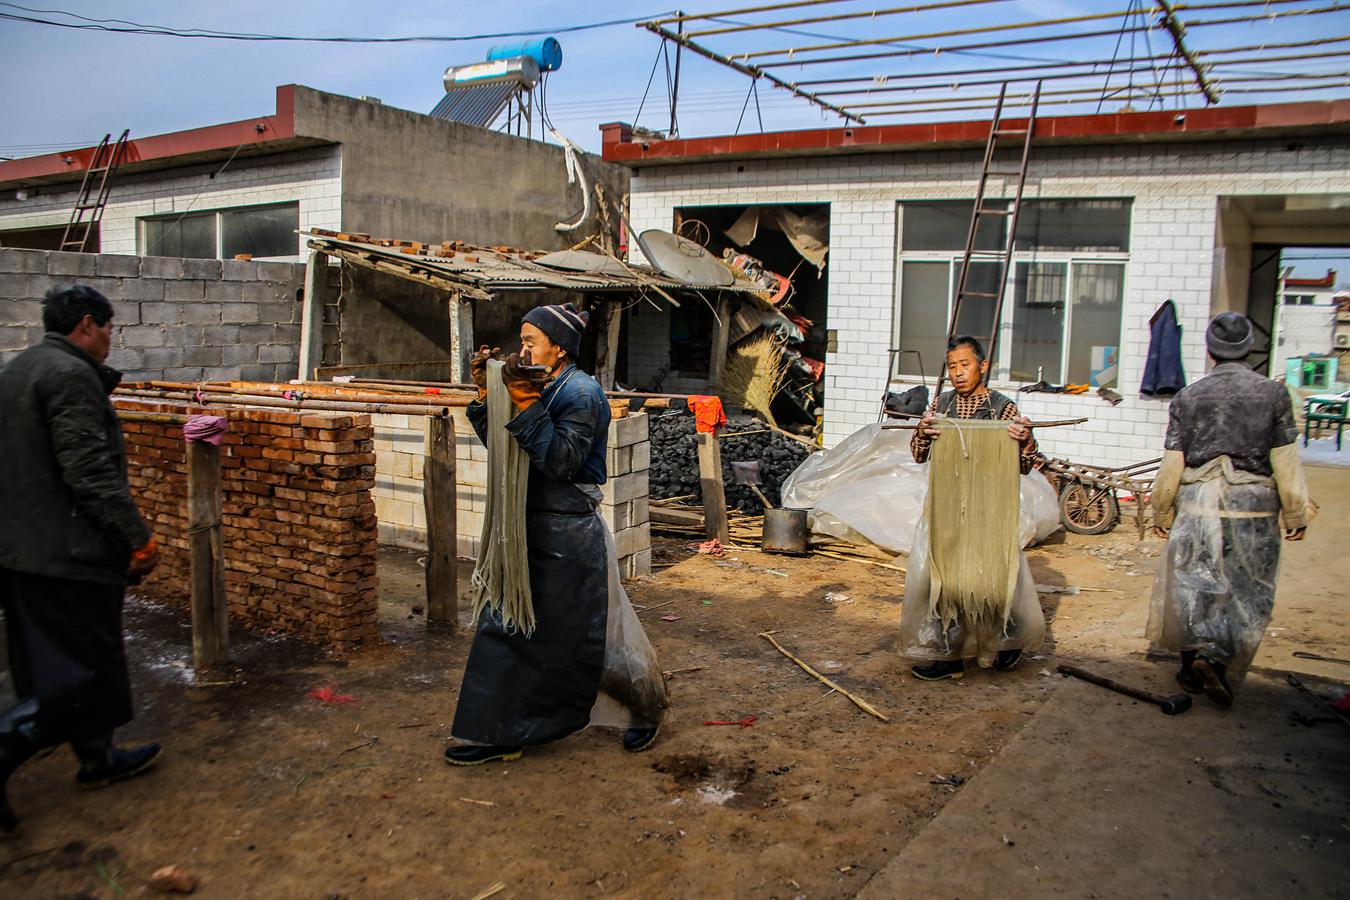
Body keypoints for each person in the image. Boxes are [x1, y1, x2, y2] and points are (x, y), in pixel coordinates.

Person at [445, 303, 667, 765]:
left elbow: (561, 462)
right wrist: (489, 398)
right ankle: (502, 732)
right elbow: (507, 447)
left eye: (530, 341)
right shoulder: (539, 385)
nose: (521, 349)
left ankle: (644, 709)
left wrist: (524, 402)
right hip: (528, 528)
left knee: (591, 636)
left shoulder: (581, 394)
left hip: (569, 536)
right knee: (508, 628)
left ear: (559, 347)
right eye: (522, 340)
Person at [0, 284, 162, 831]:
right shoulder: (69, 376)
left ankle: (98, 759)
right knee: (76, 675)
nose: (111, 340)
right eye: (110, 328)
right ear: (88, 325)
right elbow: (89, 472)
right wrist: (135, 538)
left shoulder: (22, 367)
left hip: (26, 549)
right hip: (65, 554)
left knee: (67, 664)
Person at [1147, 312, 1312, 707]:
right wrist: (1295, 512)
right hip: (1252, 507)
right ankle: (1218, 665)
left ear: (1209, 350)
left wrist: (1162, 512)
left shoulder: (1188, 397)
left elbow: (1173, 463)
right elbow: (1286, 460)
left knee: (1192, 586)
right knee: (1245, 590)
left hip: (1198, 505)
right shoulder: (1274, 395)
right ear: (1250, 349)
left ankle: (1189, 667)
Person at [900, 335, 1045, 681]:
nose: (958, 373)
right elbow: (918, 455)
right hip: (948, 508)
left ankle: (1004, 647)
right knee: (945, 582)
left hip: (990, 509)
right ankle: (948, 654)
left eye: (965, 365)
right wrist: (922, 431)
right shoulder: (942, 405)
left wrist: (1024, 439)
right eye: (952, 367)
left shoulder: (1002, 408)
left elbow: (1026, 464)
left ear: (983, 366)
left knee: (993, 579)